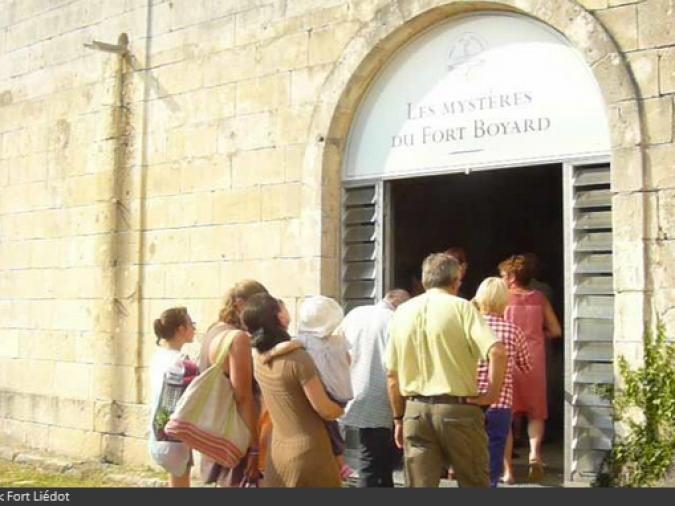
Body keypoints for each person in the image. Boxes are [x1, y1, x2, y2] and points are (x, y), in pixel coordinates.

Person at [385, 253, 507, 487]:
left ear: (423, 281)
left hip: (415, 409)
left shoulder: (401, 312)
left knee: (419, 485)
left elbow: (392, 374)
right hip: (458, 407)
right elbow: (497, 352)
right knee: (474, 483)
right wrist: (491, 394)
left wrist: (399, 418)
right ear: (456, 281)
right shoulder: (463, 308)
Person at [245, 293, 344, 487]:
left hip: (278, 449)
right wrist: (342, 407)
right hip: (310, 452)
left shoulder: (258, 357)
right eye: (281, 306)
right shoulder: (298, 359)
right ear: (279, 317)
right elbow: (324, 409)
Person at [499, 255, 562, 483]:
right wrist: (538, 334)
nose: (502, 279)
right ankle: (535, 454)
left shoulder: (502, 299)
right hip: (534, 361)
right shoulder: (540, 298)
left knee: (506, 416)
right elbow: (556, 330)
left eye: (503, 275)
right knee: (536, 413)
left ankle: (508, 472)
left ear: (512, 277)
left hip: (507, 360)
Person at [199, 279, 267, 487]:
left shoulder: (213, 330)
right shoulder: (237, 338)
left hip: (217, 426)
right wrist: (255, 447)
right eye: (258, 306)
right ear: (240, 304)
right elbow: (243, 396)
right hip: (237, 431)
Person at [339, 289, 410, 488]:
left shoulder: (356, 314)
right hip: (383, 397)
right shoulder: (396, 321)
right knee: (375, 462)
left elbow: (340, 349)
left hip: (355, 391)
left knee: (373, 458)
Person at [473, 278, 532, 487]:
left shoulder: (468, 328)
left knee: (468, 455)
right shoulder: (513, 330)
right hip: (500, 402)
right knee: (493, 456)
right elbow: (526, 365)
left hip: (468, 400)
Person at [148, 307, 197, 488]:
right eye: (191, 325)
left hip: (158, 430)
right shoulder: (181, 361)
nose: (194, 329)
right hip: (175, 434)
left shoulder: (158, 357)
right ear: (181, 330)